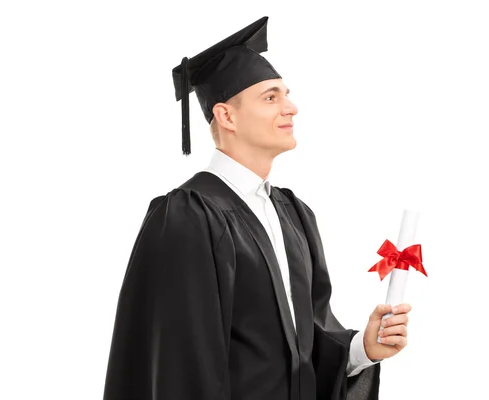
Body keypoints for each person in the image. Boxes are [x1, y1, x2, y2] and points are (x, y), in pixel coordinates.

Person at [102, 16, 412, 400]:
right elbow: (179, 368)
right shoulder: (188, 217)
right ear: (226, 116)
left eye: (287, 94)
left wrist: (360, 350)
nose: (292, 107)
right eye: (271, 97)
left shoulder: (294, 214)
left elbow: (307, 347)